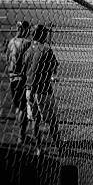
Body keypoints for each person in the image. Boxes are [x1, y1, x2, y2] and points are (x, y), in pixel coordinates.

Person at [22, 24, 59, 155]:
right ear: (42, 35)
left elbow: (24, 67)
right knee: (52, 120)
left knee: (35, 120)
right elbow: (54, 67)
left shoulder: (28, 50)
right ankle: (59, 145)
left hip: (28, 88)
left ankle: (38, 148)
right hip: (43, 89)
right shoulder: (46, 50)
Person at [5, 21, 31, 144]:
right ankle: (22, 135)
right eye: (28, 29)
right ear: (24, 29)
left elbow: (7, 58)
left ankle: (21, 133)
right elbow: (28, 62)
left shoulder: (11, 42)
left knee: (18, 106)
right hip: (21, 78)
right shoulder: (26, 43)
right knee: (23, 107)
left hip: (12, 77)